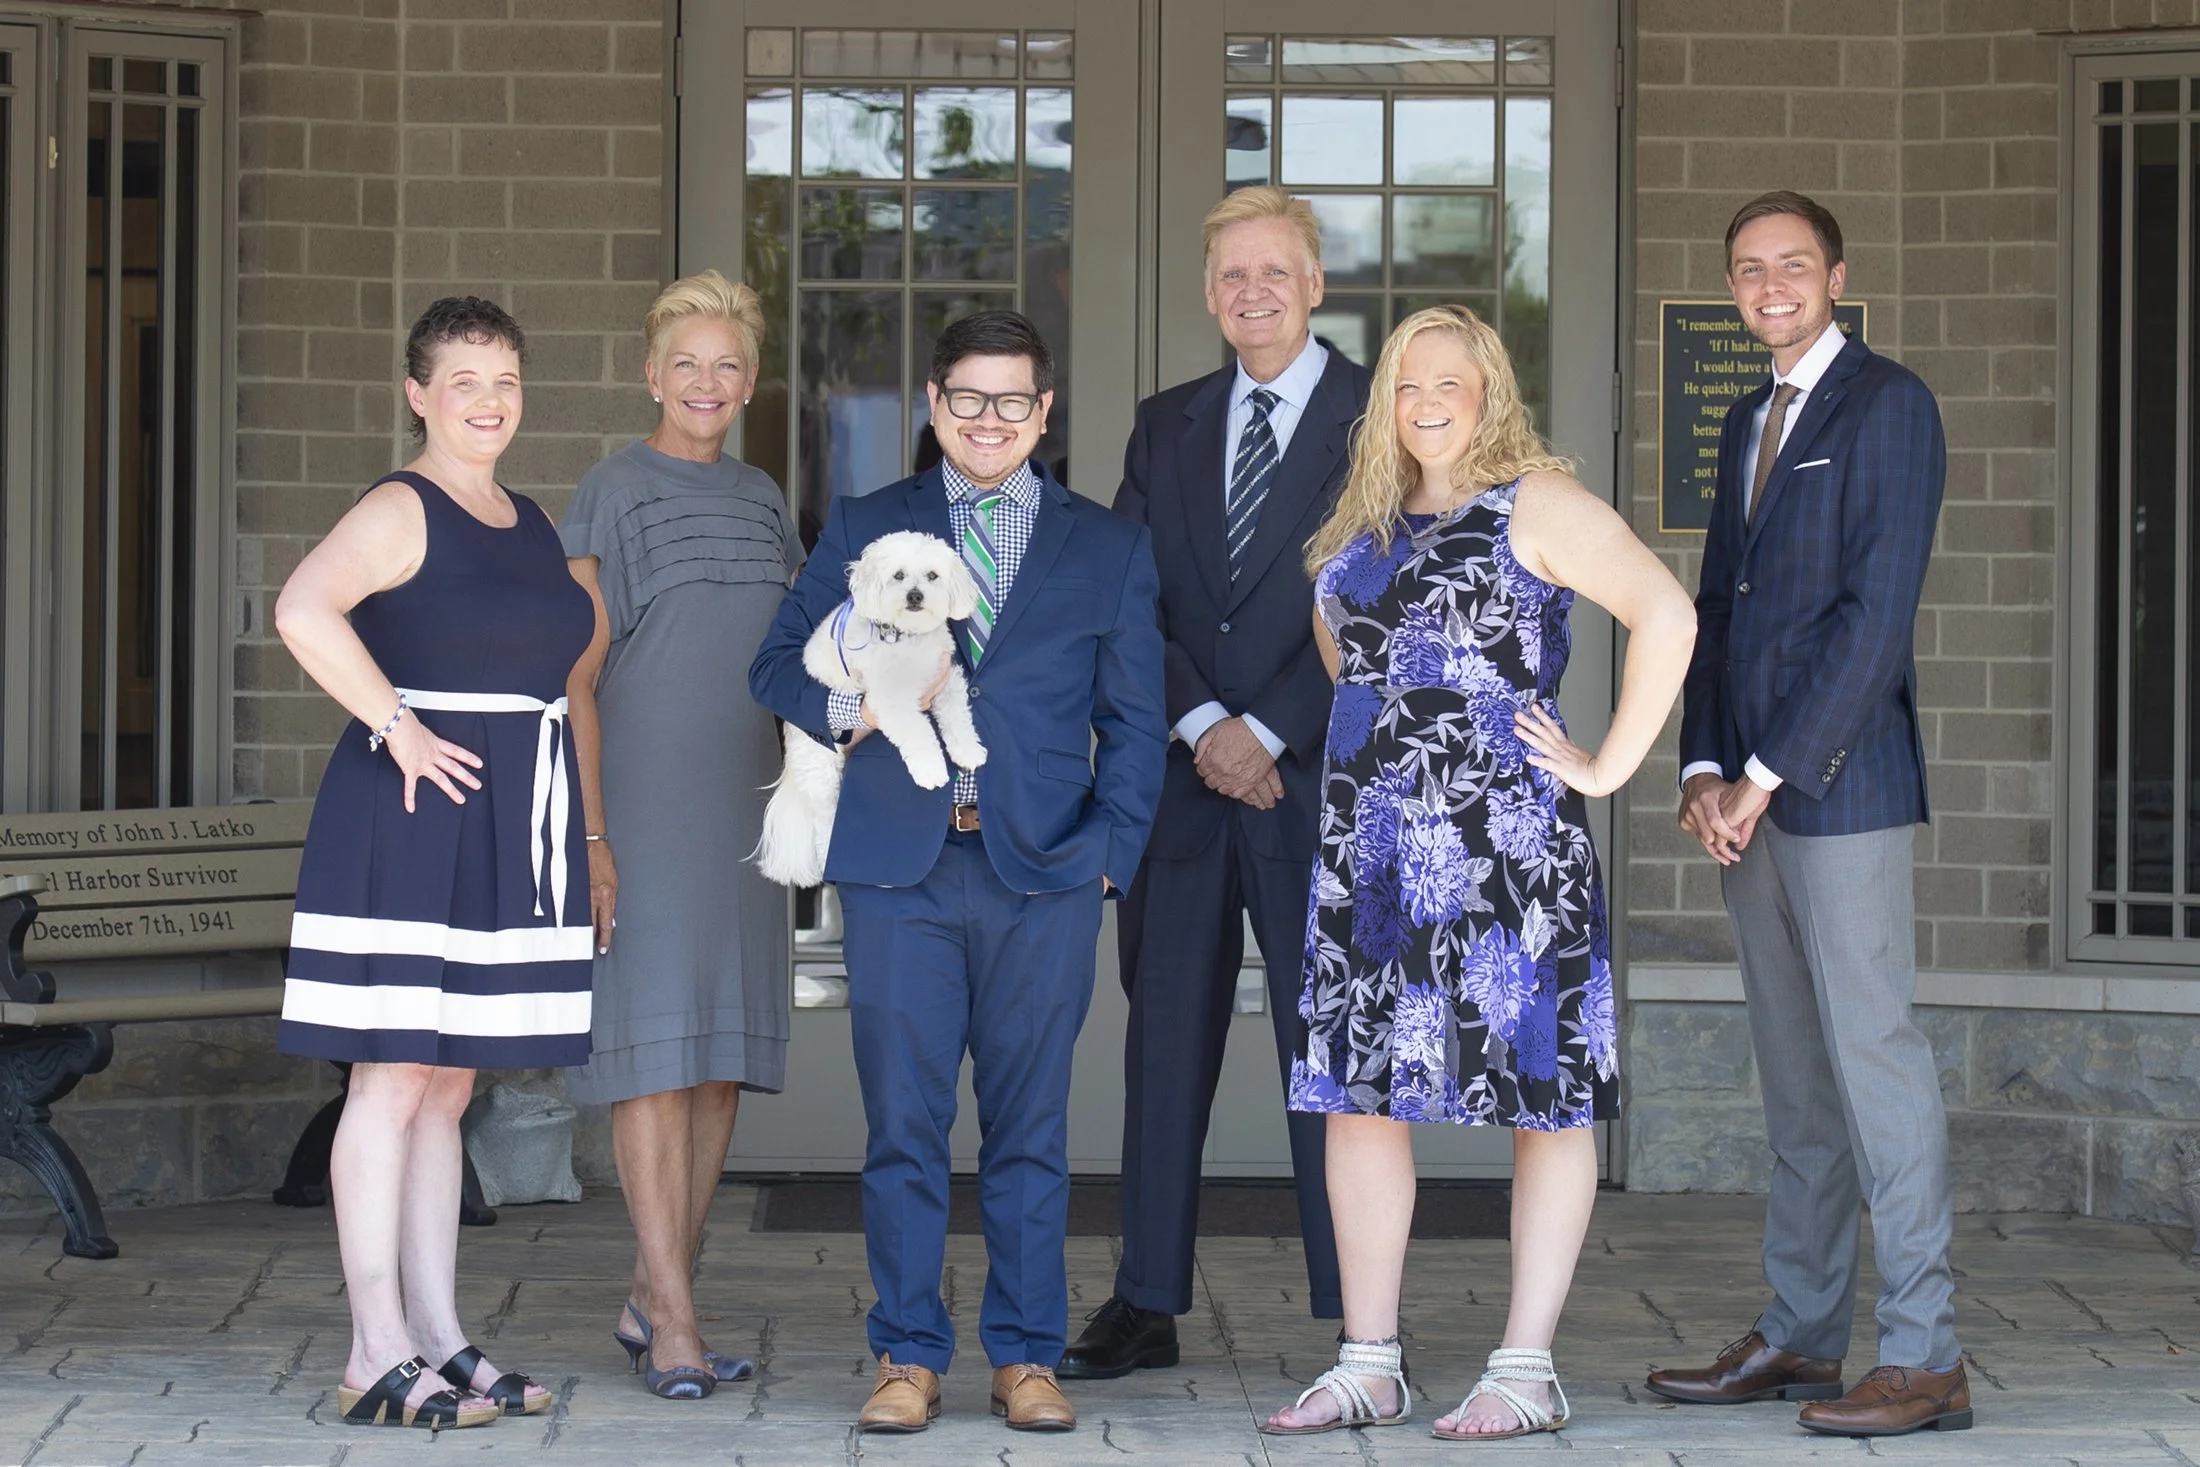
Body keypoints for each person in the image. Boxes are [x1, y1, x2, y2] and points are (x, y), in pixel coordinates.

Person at [1259, 305, 1696, 1440]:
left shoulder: (1537, 502)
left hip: (1507, 849)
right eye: (1406, 385)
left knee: (1541, 1102)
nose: (1427, 401)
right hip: (1370, 855)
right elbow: (1349, 661)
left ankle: (1525, 1369)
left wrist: (1605, 770)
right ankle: (1369, 1362)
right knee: (1358, 1100)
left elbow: (1667, 613)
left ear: (1490, 388)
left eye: (1449, 379)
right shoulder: (1362, 520)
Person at [749, 310, 1165, 1435]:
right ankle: (906, 1352)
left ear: (1044, 413)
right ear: (934, 405)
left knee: (1031, 1127)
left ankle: (1028, 1356)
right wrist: (857, 717)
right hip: (900, 871)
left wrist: (1111, 859)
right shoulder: (869, 522)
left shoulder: (1107, 546)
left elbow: (1135, 722)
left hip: (1045, 875)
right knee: (904, 1125)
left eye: (1013, 401)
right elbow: (776, 665)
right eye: (968, 399)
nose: (990, 420)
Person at [1645, 191, 1967, 1438]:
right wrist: (1700, 765)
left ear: (1837, 274)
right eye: (1746, 270)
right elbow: (1720, 606)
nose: (1768, 285)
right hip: (1749, 797)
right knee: (1793, 1078)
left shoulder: (1890, 406)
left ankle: (1926, 1355)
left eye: (1791, 265)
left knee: (1876, 1068)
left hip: (1842, 793)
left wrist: (1766, 772)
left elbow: (1873, 625)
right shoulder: (1744, 415)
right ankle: (1801, 1332)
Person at [1066, 187, 1369, 1379]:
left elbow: (1377, 592)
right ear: (1209, 292)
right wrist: (1201, 723)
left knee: (1328, 1050)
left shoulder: (1375, 415)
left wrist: (1268, 726)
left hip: (1316, 785)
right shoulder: (1166, 424)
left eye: (1275, 273)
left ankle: (1359, 1303)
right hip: (1188, 789)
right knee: (1165, 1049)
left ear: (1315, 283)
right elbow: (1128, 593)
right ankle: (1145, 1300)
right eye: (1232, 275)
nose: (1253, 293)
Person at [275, 298, 592, 1430]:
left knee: (450, 1085)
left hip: (507, 813)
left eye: (504, 377)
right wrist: (395, 725)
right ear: (418, 393)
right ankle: (373, 1351)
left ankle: (440, 1340)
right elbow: (302, 609)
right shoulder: (396, 505)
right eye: (463, 380)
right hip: (408, 810)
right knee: (392, 1076)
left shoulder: (528, 516)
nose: (489, 399)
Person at [561, 270, 794, 1400]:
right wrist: (593, 835)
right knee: (650, 1069)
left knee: (717, 1071)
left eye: (729, 365)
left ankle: (658, 1287)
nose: (708, 382)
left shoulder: (760, 496)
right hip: (643, 813)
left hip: (746, 817)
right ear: (652, 376)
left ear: (751, 382)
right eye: (686, 364)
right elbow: (576, 680)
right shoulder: (610, 490)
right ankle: (678, 1323)